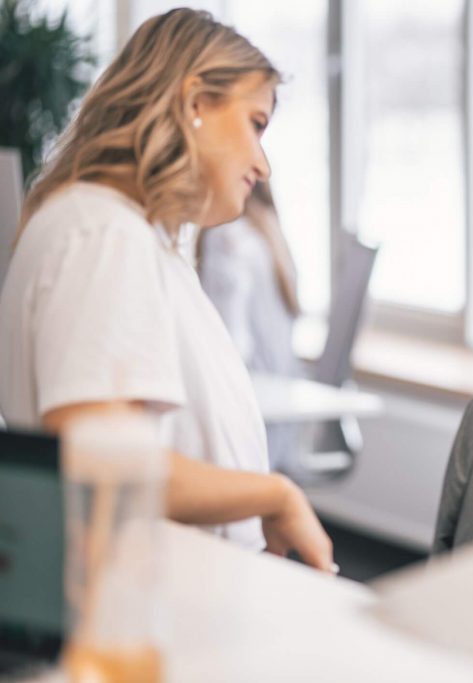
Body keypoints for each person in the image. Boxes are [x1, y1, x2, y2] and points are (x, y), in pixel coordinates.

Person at [0, 9, 333, 571]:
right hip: (157, 602)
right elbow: (98, 461)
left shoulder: (128, 234)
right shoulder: (104, 234)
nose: (263, 165)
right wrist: (273, 493)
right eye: (255, 124)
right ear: (195, 102)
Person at [198, 180, 301, 470]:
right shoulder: (270, 232)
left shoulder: (228, 236)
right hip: (281, 423)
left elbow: (230, 345)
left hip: (250, 418)